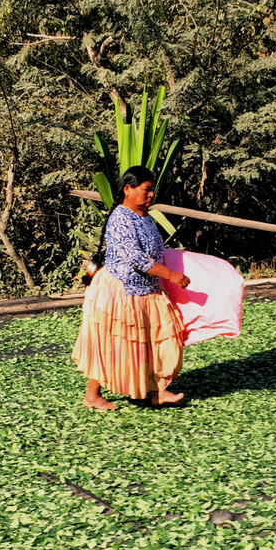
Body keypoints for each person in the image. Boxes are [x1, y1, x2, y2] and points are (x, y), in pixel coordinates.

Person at [71, 166, 191, 410]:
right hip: (121, 290)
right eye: (145, 190)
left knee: (157, 339)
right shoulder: (121, 218)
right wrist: (172, 275)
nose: (150, 196)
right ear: (128, 189)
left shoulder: (145, 216)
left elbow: (154, 251)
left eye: (151, 191)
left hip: (147, 289)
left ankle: (159, 390)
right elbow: (136, 258)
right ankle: (92, 395)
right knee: (113, 343)